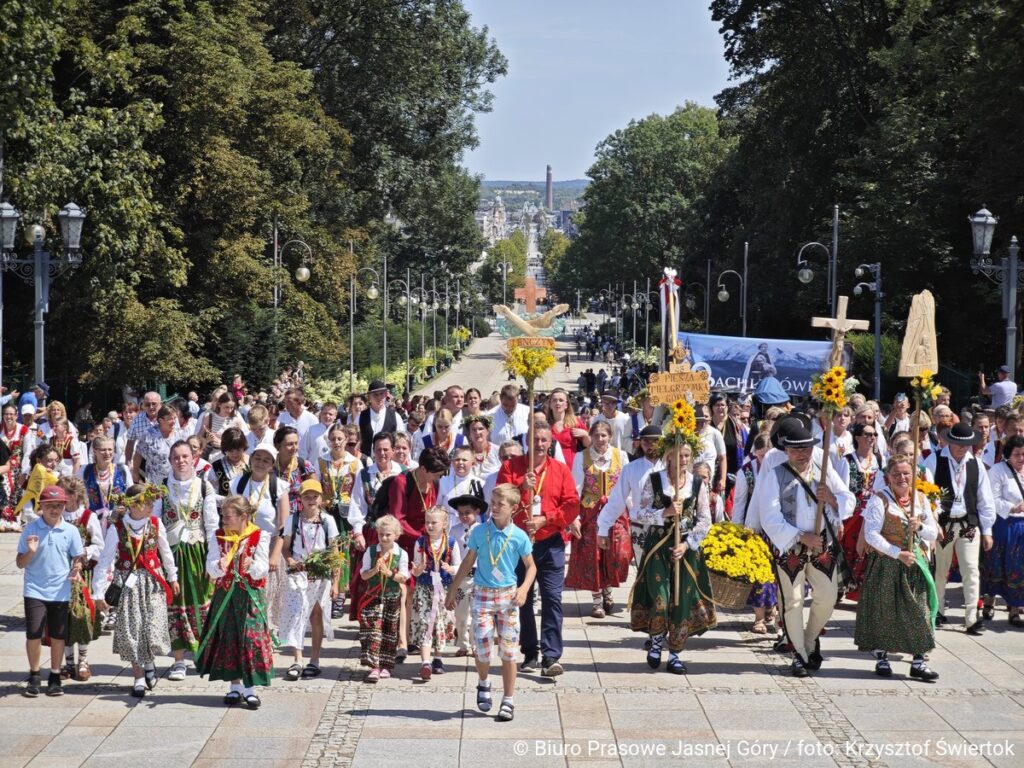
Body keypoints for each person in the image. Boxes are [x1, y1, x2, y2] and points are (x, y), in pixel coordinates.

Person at [756, 424, 855, 677]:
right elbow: (769, 516)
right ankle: (798, 654)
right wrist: (801, 536)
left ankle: (810, 640)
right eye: (796, 449)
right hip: (791, 545)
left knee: (828, 595)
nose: (802, 454)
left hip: (822, 543)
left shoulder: (824, 470)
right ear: (786, 450)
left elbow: (848, 499)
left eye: (807, 449)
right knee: (794, 601)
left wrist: (831, 499)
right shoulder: (774, 475)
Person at [445, 483, 536, 722]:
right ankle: (483, 682)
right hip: (483, 594)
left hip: (508, 596)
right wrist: (453, 588)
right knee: (482, 646)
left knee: (508, 651)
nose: (494, 508)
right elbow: (467, 562)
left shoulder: (518, 536)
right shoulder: (479, 532)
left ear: (513, 509)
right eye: (493, 503)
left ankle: (508, 699)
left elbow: (531, 566)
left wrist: (524, 589)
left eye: (500, 504)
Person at [624, 439, 716, 674]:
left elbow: (705, 519)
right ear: (669, 457)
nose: (683, 461)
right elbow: (639, 513)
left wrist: (687, 544)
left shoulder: (697, 484)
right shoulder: (654, 481)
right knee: (661, 597)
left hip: (685, 550)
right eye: (679, 456)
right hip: (659, 548)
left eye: (687, 456)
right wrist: (663, 512)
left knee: (681, 601)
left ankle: (675, 653)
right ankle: (655, 642)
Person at [497, 423, 580, 676]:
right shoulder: (512, 467)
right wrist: (521, 486)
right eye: (535, 439)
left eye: (544, 440)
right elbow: (499, 498)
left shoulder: (560, 470)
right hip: (519, 544)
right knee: (521, 598)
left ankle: (551, 655)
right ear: (527, 442)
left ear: (550, 442)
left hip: (550, 542)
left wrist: (548, 518)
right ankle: (530, 651)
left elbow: (572, 504)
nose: (540, 445)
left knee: (553, 598)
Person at [855, 456, 940, 681]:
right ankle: (882, 657)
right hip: (887, 564)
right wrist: (896, 553)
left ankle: (919, 661)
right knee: (885, 611)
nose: (902, 478)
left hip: (914, 563)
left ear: (914, 476)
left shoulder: (921, 500)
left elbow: (933, 533)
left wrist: (919, 526)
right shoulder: (880, 500)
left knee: (920, 610)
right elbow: (871, 534)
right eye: (897, 474)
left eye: (906, 474)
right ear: (888, 478)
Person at [93, 484, 180, 697]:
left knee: (151, 627)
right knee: (133, 629)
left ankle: (149, 662)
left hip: (152, 582)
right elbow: (105, 560)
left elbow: (166, 552)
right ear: (132, 505)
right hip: (127, 583)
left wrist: (173, 576)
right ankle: (138, 676)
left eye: (152, 502)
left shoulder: (155, 523)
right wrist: (98, 591)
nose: (151, 506)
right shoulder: (118, 528)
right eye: (146, 503)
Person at [195, 495, 274, 709]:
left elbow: (263, 569)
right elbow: (210, 567)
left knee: (250, 638)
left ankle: (250, 689)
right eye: (223, 516)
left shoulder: (259, 535)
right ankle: (235, 687)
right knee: (229, 637)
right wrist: (218, 566)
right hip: (226, 595)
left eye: (228, 516)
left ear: (243, 516)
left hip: (249, 596)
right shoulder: (218, 537)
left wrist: (251, 565)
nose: (224, 521)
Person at [153, 441, 218, 681]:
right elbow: (156, 525)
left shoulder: (204, 487)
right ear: (170, 460)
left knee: (202, 603)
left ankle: (202, 655)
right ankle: (179, 660)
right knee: (175, 606)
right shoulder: (162, 488)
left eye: (185, 456)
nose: (181, 461)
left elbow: (211, 525)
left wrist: (214, 559)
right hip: (171, 554)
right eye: (176, 457)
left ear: (194, 458)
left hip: (197, 552)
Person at [924, 422, 996, 632]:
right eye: (957, 444)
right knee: (940, 570)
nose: (962, 448)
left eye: (966, 445)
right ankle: (937, 612)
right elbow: (927, 494)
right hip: (943, 526)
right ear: (949, 441)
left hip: (968, 525)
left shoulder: (976, 463)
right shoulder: (934, 460)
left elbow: (985, 499)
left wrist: (987, 531)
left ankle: (972, 618)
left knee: (971, 570)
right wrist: (932, 524)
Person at [17, 485, 85, 697]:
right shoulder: (31, 529)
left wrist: (76, 568)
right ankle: (35, 674)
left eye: (59, 506)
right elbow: (20, 563)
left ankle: (55, 675)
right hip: (35, 589)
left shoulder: (71, 531)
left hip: (60, 590)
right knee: (34, 633)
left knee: (58, 635)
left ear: (64, 506)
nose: (54, 510)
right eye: (49, 506)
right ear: (41, 507)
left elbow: (78, 558)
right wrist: (30, 551)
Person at [566, 420, 630, 618]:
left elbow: (627, 487)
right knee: (593, 555)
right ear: (590, 437)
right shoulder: (581, 457)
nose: (600, 439)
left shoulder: (621, 456)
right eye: (596, 435)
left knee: (617, 554)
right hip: (590, 511)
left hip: (615, 511)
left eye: (604, 435)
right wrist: (573, 517)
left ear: (610, 436)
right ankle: (597, 601)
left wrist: (633, 513)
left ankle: (608, 589)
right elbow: (576, 488)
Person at [279, 479, 340, 680]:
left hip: (320, 575)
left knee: (315, 615)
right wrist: (290, 561)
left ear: (321, 499)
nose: (311, 500)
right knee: (297, 613)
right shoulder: (293, 520)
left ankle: (314, 659)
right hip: (298, 573)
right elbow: (286, 547)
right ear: (300, 499)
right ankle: (297, 659)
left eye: (315, 496)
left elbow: (334, 552)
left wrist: (336, 583)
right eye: (307, 496)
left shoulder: (327, 521)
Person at [597, 425, 665, 564]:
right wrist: (603, 528)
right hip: (640, 528)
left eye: (655, 441)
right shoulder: (630, 469)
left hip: (667, 529)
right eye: (646, 441)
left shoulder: (671, 467)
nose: (650, 445)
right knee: (644, 574)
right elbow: (617, 500)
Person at [57, 476, 103, 682]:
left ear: (75, 495)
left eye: (63, 494)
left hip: (82, 575)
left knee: (82, 617)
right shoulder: (55, 515)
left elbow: (99, 546)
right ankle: (68, 662)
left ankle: (83, 660)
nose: (60, 498)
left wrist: (83, 551)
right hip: (59, 575)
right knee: (63, 618)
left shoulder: (87, 516)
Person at [732, 432, 777, 633]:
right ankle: (759, 617)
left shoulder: (780, 470)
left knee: (776, 574)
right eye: (761, 456)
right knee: (759, 574)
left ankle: (773, 610)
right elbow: (739, 504)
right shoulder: (746, 472)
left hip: (776, 528)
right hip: (755, 529)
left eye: (768, 455)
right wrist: (737, 533)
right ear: (755, 454)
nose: (765, 460)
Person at [316, 423, 361, 618]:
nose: (336, 442)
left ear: (346, 440)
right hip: (327, 512)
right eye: (333, 439)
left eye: (340, 438)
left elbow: (358, 492)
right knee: (327, 551)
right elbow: (317, 487)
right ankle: (326, 593)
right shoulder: (321, 461)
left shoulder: (354, 463)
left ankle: (340, 596)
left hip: (345, 514)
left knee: (343, 554)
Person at [410, 506, 461, 680]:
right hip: (424, 589)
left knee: (440, 623)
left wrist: (451, 568)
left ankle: (438, 658)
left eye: (434, 522)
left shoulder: (452, 543)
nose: (429, 526)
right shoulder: (420, 542)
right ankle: (425, 661)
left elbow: (459, 566)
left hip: (444, 589)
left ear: (445, 524)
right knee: (425, 623)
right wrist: (418, 569)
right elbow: (415, 570)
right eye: (427, 522)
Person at [358, 515, 410, 682]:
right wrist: (375, 570)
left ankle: (386, 665)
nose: (384, 538)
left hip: (391, 597)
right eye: (381, 534)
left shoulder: (401, 553)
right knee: (373, 632)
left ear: (396, 534)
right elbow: (364, 575)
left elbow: (404, 578)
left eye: (388, 534)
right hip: (373, 597)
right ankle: (374, 666)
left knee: (389, 632)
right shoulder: (371, 551)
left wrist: (390, 573)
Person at [980, 434, 1024, 625]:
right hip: (1005, 526)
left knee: (1019, 569)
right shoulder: (998, 471)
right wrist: (1013, 507)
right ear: (1008, 455)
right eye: (1017, 455)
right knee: (996, 566)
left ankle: (1015, 609)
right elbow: (992, 498)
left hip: (1022, 526)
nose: (1021, 458)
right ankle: (989, 600)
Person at [839, 422, 884, 601]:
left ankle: (863, 592)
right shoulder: (847, 461)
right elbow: (842, 490)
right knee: (849, 552)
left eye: (874, 435)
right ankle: (843, 587)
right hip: (853, 514)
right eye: (867, 434)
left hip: (872, 513)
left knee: (868, 552)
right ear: (857, 437)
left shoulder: (879, 460)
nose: (871, 438)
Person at [448, 492, 485, 657]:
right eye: (460, 513)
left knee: (477, 612)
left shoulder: (484, 530)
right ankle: (463, 645)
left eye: (467, 513)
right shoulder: (454, 530)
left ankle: (476, 645)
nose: (463, 516)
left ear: (477, 512)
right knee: (461, 613)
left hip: (479, 575)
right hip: (461, 576)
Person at [133, 404, 186, 485]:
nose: (174, 421)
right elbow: (138, 454)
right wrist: (135, 473)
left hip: (176, 480)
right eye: (170, 419)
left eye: (175, 418)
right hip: (155, 482)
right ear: (160, 420)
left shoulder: (179, 434)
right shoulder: (149, 434)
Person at [272, 425, 316, 517]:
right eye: (290, 444)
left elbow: (315, 493)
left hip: (298, 517)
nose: (294, 447)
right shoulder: (269, 467)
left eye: (296, 443)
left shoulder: (304, 466)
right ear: (277, 446)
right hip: (273, 516)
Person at [1, 402, 31, 530]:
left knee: (16, 493)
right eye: (6, 414)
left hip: (18, 469)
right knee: (4, 491)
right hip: (3, 468)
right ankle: (3, 519)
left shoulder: (24, 430)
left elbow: (28, 451)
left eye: (11, 414)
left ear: (16, 415)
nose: (9, 417)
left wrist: (25, 471)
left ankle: (15, 520)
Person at [545, 387, 590, 469]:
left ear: (566, 405)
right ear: (550, 404)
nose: (557, 403)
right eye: (554, 400)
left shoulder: (575, 422)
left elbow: (588, 445)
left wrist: (585, 434)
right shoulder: (545, 423)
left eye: (561, 400)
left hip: (572, 467)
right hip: (551, 467)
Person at [359, 381, 405, 455]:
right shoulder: (360, 417)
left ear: (386, 394)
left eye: (381, 394)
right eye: (375, 395)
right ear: (369, 397)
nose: (379, 397)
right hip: (366, 463)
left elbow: (402, 442)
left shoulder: (396, 417)